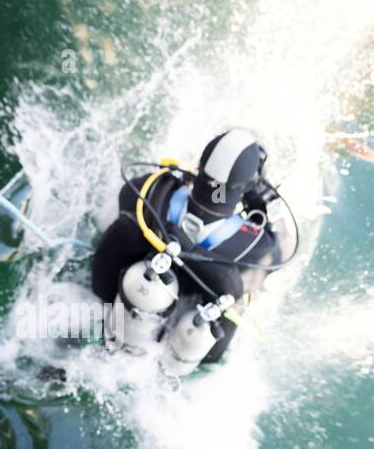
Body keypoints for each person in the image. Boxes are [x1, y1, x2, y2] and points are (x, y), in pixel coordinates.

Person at [91, 128, 296, 367]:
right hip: (190, 333)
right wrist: (261, 199)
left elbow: (127, 201)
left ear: (200, 165)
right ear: (245, 186)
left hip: (132, 298)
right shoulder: (258, 247)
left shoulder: (148, 191)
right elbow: (284, 250)